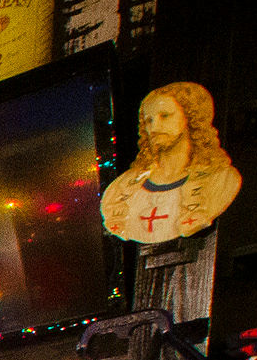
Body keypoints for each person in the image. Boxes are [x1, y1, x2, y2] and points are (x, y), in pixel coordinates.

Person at [101, 82, 241, 245]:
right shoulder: (118, 190)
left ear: (190, 117)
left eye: (165, 116)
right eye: (148, 121)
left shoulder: (221, 179)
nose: (154, 127)